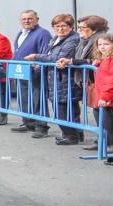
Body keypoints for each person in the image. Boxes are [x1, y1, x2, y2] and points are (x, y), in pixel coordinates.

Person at [26, 14, 81, 144]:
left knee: (65, 109)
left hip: (66, 79)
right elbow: (51, 55)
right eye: (57, 26)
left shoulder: (73, 39)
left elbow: (57, 57)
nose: (60, 29)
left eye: (64, 26)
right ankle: (71, 134)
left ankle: (72, 136)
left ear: (71, 27)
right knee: (62, 108)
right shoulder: (56, 38)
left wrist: (36, 57)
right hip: (56, 78)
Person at [61, 16, 109, 150]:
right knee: (98, 112)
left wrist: (72, 61)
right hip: (92, 82)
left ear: (94, 29)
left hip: (99, 82)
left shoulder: (99, 39)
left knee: (103, 114)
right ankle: (102, 141)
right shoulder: (85, 40)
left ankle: (105, 142)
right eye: (80, 27)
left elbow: (94, 60)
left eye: (83, 27)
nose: (80, 30)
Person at [10, 10, 53, 135]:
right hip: (21, 72)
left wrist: (39, 68)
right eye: (24, 19)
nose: (27, 21)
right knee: (24, 98)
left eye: (30, 18)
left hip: (36, 73)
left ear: (37, 19)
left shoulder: (43, 33)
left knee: (38, 99)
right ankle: (28, 123)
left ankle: (41, 126)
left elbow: (45, 52)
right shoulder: (20, 33)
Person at [89, 32, 113, 164]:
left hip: (109, 100)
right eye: (100, 44)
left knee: (110, 128)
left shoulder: (111, 60)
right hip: (107, 100)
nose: (102, 47)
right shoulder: (105, 60)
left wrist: (104, 97)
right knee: (108, 128)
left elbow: (110, 81)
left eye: (107, 44)